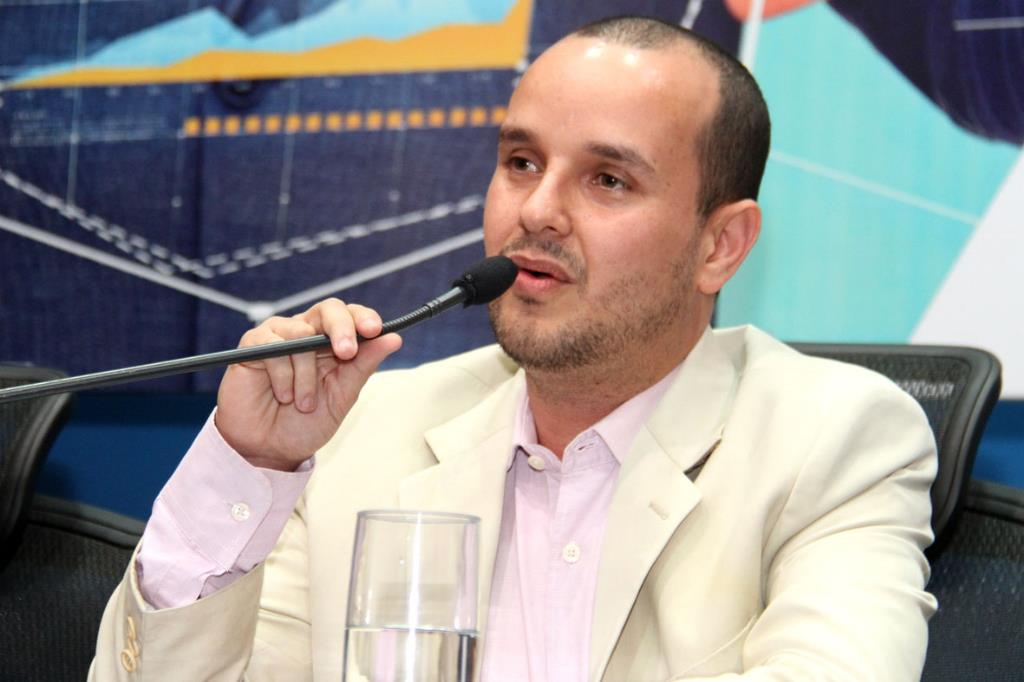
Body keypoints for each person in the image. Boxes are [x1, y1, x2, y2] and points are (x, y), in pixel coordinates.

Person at [91, 16, 937, 681]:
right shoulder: (362, 436)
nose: (536, 211)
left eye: (608, 180)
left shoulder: (831, 439)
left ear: (720, 245)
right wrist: (249, 466)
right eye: (522, 162)